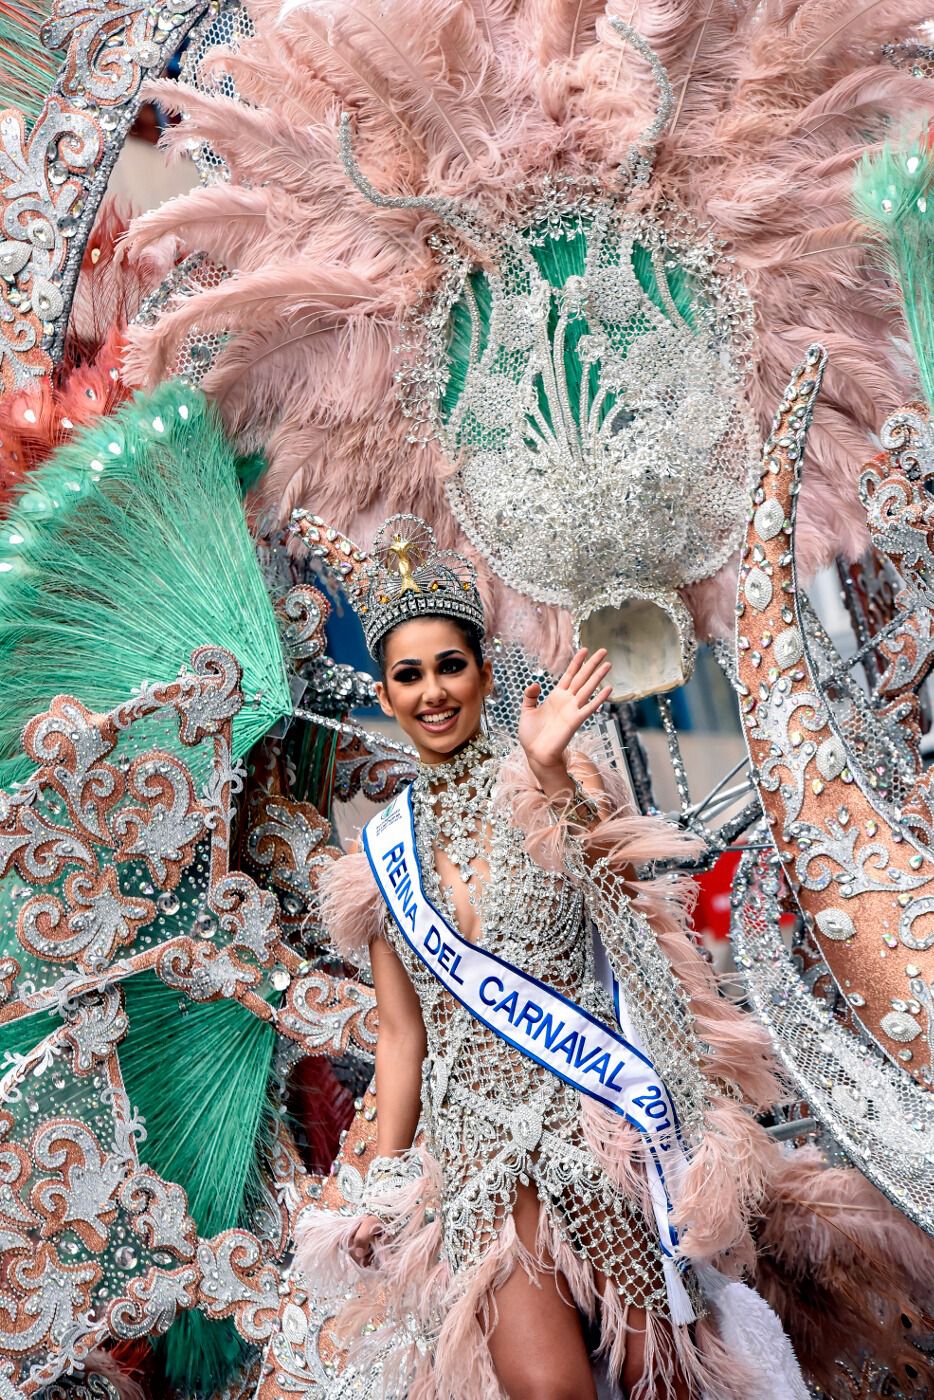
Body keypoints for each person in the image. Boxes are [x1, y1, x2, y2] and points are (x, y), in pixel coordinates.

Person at [297, 513, 807, 1400]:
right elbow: (400, 1035)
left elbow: (624, 909)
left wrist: (556, 775)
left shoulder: (549, 778)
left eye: (450, 666)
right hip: (479, 1153)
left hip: (595, 1122)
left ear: (483, 673)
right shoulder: (377, 857)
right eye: (408, 675)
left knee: (663, 1374)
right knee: (548, 1390)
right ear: (384, 694)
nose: (433, 693)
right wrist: (384, 1177)